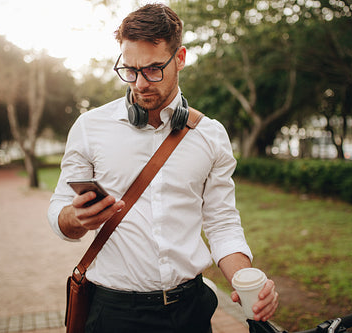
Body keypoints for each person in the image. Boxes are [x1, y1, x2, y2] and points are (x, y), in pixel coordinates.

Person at [48, 4, 278, 333]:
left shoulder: (211, 135)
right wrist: (75, 218)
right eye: (130, 70)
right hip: (114, 313)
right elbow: (58, 207)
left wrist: (247, 282)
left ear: (180, 58)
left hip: (190, 312)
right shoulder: (89, 127)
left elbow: (223, 224)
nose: (140, 83)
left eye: (154, 69)